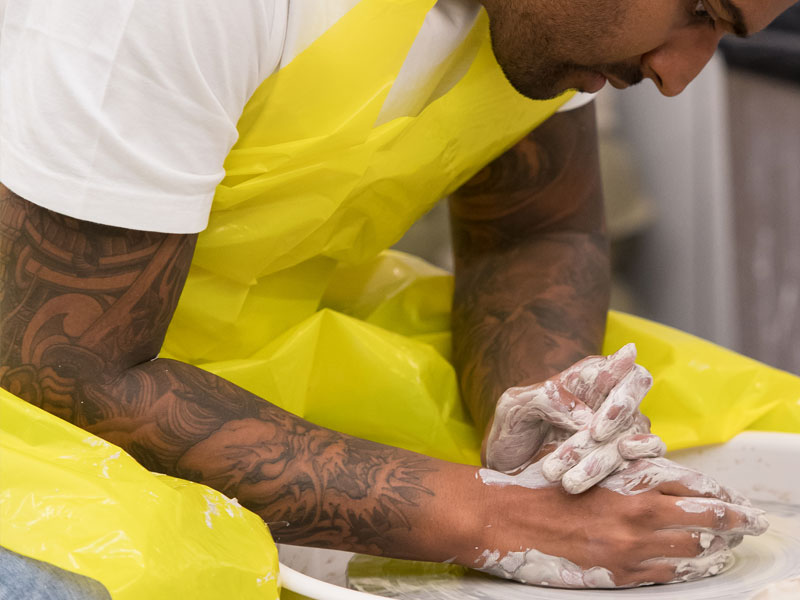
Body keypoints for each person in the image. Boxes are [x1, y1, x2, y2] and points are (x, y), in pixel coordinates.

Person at [1, 0, 797, 594]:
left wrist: (548, 404)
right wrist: (495, 518)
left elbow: (534, 232)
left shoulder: (550, 22)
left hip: (272, 324)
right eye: (698, 9)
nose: (679, 72)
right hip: (38, 377)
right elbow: (66, 366)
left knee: (751, 420)